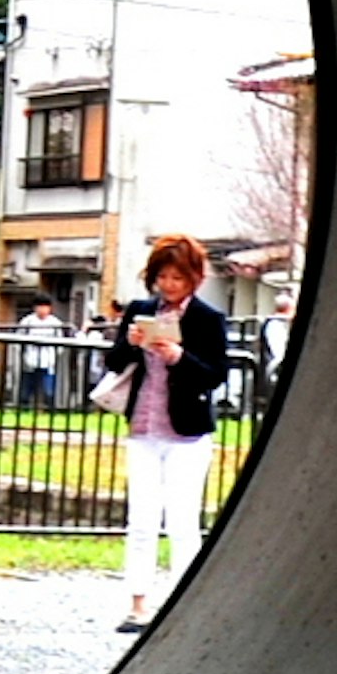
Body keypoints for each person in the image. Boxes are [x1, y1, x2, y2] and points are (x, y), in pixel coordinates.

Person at [103, 233, 230, 631]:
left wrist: (179, 357)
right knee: (140, 518)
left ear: (193, 277)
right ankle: (137, 603)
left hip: (187, 434)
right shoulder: (141, 310)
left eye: (178, 277)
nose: (170, 285)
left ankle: (182, 605)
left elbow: (216, 375)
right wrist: (131, 342)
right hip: (143, 426)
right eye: (163, 276)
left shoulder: (207, 319)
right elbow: (114, 361)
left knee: (182, 519)